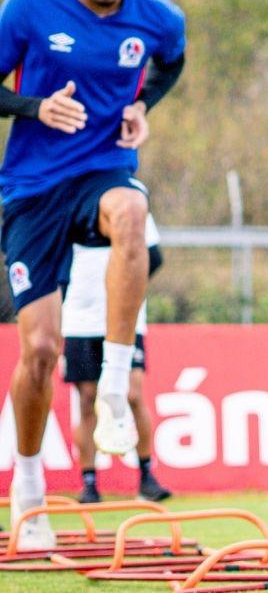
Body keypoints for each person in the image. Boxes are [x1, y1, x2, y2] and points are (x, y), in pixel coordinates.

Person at [0, 0, 186, 551]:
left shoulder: (157, 18)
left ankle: (112, 383)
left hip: (104, 170)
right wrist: (33, 107)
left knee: (133, 210)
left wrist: (143, 106)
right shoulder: (29, 7)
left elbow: (171, 62)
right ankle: (28, 491)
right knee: (40, 351)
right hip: (32, 189)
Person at [62, 214, 172, 504]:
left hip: (126, 318)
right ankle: (89, 483)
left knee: (133, 394)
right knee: (87, 399)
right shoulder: (68, 205)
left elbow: (153, 256)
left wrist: (126, 285)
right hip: (80, 321)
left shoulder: (130, 204)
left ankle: (146, 476)